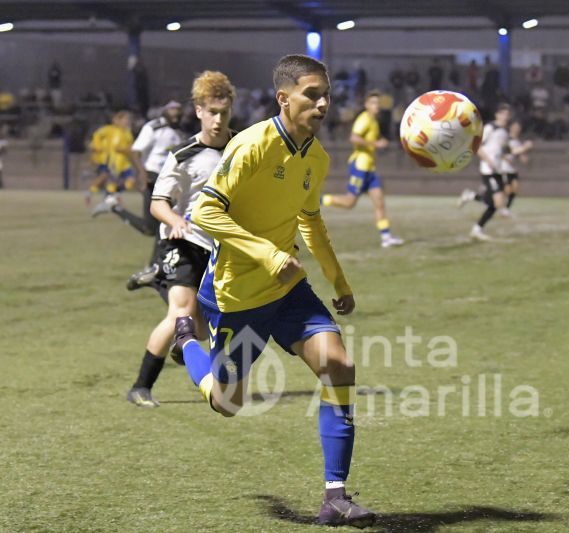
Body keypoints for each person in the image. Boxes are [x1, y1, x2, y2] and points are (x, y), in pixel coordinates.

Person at [171, 54, 375, 528]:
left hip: (288, 292)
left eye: (326, 95)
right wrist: (266, 254)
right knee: (227, 403)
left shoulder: (317, 157)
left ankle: (336, 496)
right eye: (312, 94)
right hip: (238, 296)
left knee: (339, 364)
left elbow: (311, 221)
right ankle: (186, 341)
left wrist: (339, 281)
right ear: (284, 98)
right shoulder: (253, 145)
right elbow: (205, 213)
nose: (323, 103)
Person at [126, 72, 235, 408]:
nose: (218, 120)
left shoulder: (242, 148)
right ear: (198, 111)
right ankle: (140, 387)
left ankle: (159, 281)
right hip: (182, 242)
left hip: (218, 249)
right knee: (179, 316)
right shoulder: (183, 156)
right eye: (211, 112)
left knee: (201, 331)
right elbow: (158, 204)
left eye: (224, 112)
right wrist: (175, 221)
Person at [91, 101, 186, 283]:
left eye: (179, 112)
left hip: (167, 181)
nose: (176, 115)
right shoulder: (154, 127)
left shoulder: (179, 133)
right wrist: (142, 175)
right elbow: (136, 152)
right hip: (152, 178)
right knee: (164, 224)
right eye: (173, 111)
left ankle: (115, 207)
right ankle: (153, 267)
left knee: (149, 228)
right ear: (164, 112)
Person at [321, 90, 404, 248]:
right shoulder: (364, 118)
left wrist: (380, 142)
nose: (376, 106)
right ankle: (318, 200)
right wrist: (376, 144)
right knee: (349, 203)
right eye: (373, 103)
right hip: (360, 166)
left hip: (370, 169)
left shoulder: (374, 120)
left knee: (379, 202)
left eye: (378, 103)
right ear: (366, 105)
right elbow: (354, 137)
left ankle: (386, 238)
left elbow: (369, 139)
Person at [457, 103, 511, 241]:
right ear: (497, 115)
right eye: (503, 114)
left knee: (494, 205)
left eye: (507, 114)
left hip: (498, 169)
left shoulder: (504, 132)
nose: (506, 116)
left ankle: (476, 227)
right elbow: (477, 145)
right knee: (498, 203)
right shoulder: (489, 128)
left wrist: (508, 156)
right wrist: (487, 160)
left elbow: (502, 150)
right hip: (488, 170)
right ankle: (471, 199)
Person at [86, 111, 135, 207]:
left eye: (127, 119)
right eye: (124, 119)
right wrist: (96, 147)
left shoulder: (127, 132)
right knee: (106, 179)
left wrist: (131, 150)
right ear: (118, 120)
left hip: (125, 162)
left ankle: (113, 196)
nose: (126, 121)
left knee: (129, 182)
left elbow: (129, 145)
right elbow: (116, 147)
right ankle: (101, 196)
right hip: (114, 161)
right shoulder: (113, 130)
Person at [501, 121, 533, 216]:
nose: (517, 129)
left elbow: (521, 156)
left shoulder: (518, 141)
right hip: (504, 168)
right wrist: (524, 147)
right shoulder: (506, 139)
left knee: (515, 188)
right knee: (506, 190)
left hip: (513, 169)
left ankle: (506, 209)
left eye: (518, 127)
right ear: (510, 127)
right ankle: (476, 197)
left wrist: (525, 159)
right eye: (515, 127)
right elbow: (504, 153)